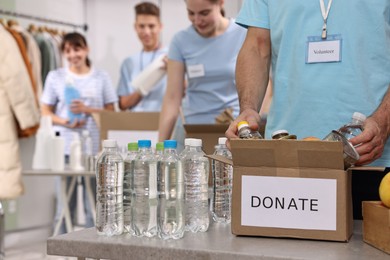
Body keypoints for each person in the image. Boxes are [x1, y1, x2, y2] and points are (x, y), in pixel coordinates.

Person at [226, 0, 390, 167]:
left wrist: (383, 121)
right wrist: (248, 108)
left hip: (368, 151)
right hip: (285, 147)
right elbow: (257, 46)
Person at [41, 32, 118, 233]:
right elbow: (45, 111)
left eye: (77, 49)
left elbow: (112, 111)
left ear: (86, 49)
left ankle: (92, 248)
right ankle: (62, 250)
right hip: (66, 149)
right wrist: (65, 121)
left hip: (95, 150)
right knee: (65, 204)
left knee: (94, 203)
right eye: (67, 51)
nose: (73, 55)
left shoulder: (101, 77)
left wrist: (87, 109)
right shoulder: (56, 77)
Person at [158, 0, 247, 150]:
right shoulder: (180, 41)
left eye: (204, 13)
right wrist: (160, 145)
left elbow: (263, 86)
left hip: (232, 130)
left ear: (220, 3)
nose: (197, 20)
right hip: (192, 131)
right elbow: (172, 98)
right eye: (191, 13)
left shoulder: (242, 33)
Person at [117, 2, 167, 112]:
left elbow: (187, 92)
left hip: (165, 123)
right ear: (135, 27)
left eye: (151, 26)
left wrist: (174, 70)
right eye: (142, 26)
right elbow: (123, 104)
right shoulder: (129, 63)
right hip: (136, 125)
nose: (146, 32)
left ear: (160, 27)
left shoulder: (171, 57)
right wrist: (143, 88)